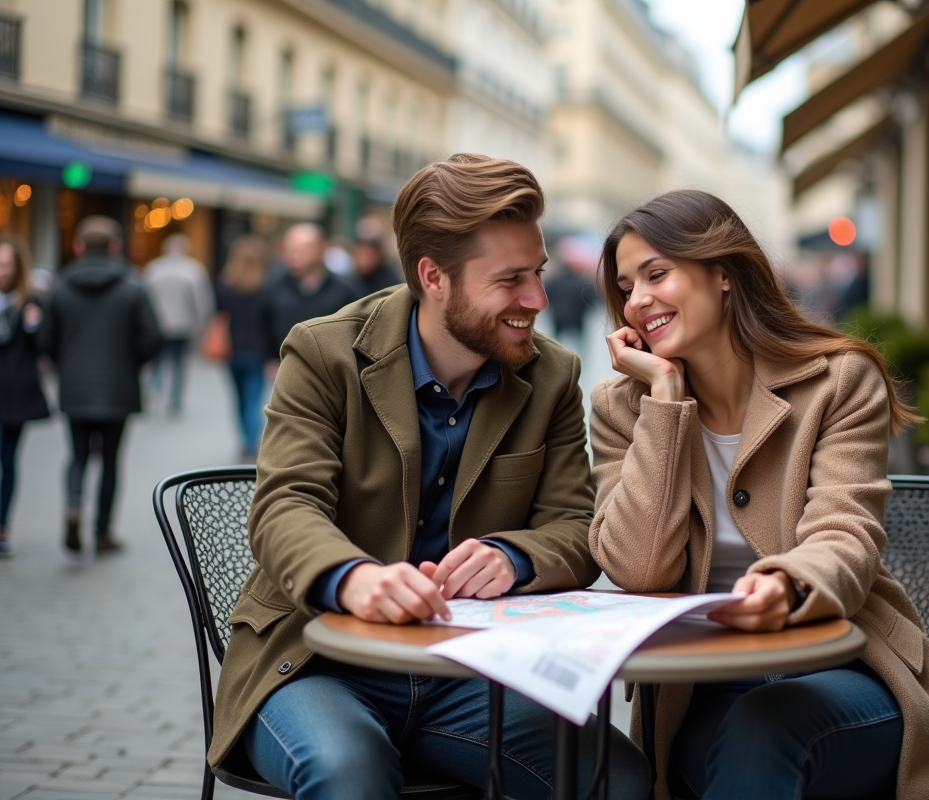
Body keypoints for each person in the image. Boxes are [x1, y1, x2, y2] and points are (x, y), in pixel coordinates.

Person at [210, 154, 650, 800]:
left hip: (466, 675)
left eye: (538, 273)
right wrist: (355, 578)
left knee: (621, 778)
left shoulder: (552, 375)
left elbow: (578, 529)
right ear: (432, 277)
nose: (537, 299)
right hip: (315, 660)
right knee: (348, 772)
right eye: (510, 280)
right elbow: (284, 508)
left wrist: (513, 557)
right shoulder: (323, 351)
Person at [589, 190, 929, 800]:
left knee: (765, 730)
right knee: (746, 735)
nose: (638, 300)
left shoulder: (839, 381)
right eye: (626, 285)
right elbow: (638, 568)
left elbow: (845, 533)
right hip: (700, 688)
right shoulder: (621, 409)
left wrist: (785, 584)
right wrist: (664, 403)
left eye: (656, 274)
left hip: (844, 666)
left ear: (723, 273)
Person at [39, 216, 162, 554]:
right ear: (115, 247)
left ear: (79, 247)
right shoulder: (133, 285)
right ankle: (103, 531)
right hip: (118, 387)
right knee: (110, 460)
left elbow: (45, 338)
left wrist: (66, 363)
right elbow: (153, 336)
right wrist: (130, 362)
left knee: (77, 456)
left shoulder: (61, 286)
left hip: (75, 386)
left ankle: (74, 505)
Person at [0, 235, 50, 557]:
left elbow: (44, 347)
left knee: (8, 460)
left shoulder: (31, 302)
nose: (1, 270)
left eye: (6, 264)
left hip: (15, 394)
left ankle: (2, 526)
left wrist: (34, 326)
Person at [259, 223, 360, 369]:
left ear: (320, 249)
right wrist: (270, 358)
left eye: (302, 250)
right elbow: (262, 325)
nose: (294, 257)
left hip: (330, 371)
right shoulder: (274, 287)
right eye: (290, 251)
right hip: (285, 368)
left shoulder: (345, 289)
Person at [144, 233, 214, 414]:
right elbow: (201, 300)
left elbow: (144, 298)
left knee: (157, 361)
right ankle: (174, 399)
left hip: (158, 324)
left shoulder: (153, 269)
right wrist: (201, 323)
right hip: (183, 325)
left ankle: (154, 391)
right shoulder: (194, 270)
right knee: (179, 363)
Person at [215, 234, 271, 459]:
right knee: (253, 398)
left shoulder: (225, 285)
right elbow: (270, 323)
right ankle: (250, 440)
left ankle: (244, 438)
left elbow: (219, 315)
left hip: (232, 350)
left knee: (238, 398)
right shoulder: (267, 287)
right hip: (257, 352)